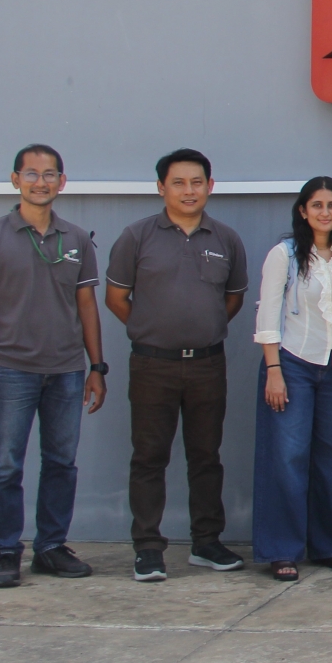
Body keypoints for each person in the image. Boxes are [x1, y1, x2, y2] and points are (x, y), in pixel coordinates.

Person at [0, 144, 107, 588]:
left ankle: (51, 547)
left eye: (49, 174)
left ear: (62, 182)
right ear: (15, 179)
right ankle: (5, 550)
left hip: (65, 370)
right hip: (9, 369)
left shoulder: (77, 239)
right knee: (4, 466)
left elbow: (87, 307)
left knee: (62, 462)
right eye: (31, 173)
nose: (40, 181)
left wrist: (96, 367)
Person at [106, 148, 248, 583]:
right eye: (179, 182)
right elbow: (116, 298)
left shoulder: (225, 239)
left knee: (206, 456)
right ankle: (148, 548)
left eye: (197, 182)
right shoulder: (136, 236)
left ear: (210, 186)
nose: (189, 191)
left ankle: (206, 542)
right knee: (149, 458)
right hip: (153, 365)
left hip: (207, 364)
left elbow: (233, 299)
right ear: (161, 187)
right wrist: (154, 331)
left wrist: (199, 330)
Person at [251, 177, 332, 582]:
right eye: (317, 205)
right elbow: (267, 314)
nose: (325, 212)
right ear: (303, 210)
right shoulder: (285, 254)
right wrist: (274, 370)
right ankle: (281, 550)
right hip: (292, 364)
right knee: (286, 458)